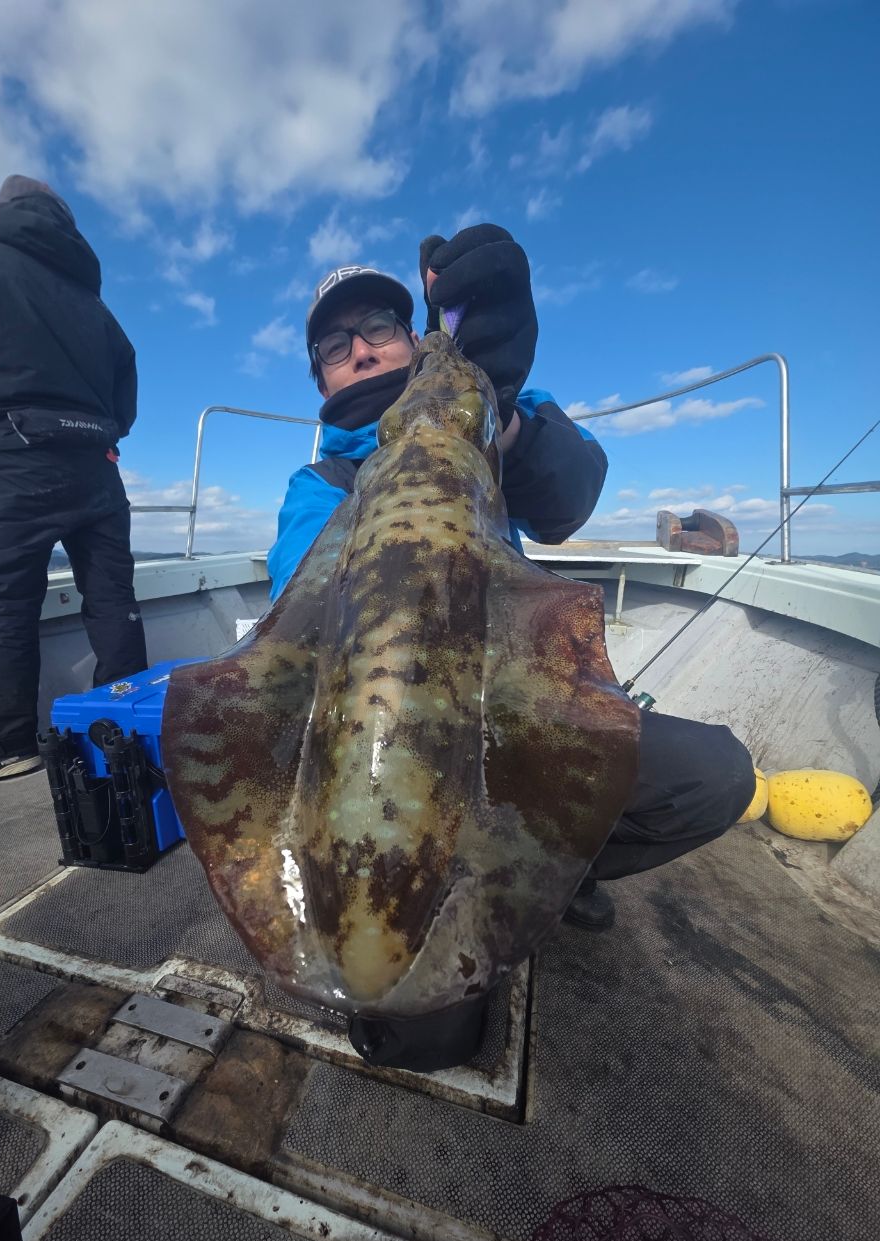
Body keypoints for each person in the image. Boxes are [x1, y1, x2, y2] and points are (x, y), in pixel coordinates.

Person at [268, 224, 755, 1071]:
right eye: (333, 346)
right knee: (421, 1025)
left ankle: (550, 870)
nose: (357, 350)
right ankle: (474, 884)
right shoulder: (317, 488)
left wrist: (500, 408)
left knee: (714, 777)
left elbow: (568, 496)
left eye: (378, 327)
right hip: (403, 746)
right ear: (320, 377)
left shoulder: (490, 422)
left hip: (528, 720)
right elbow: (298, 608)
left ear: (411, 335)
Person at [0, 175, 148, 795]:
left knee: (0, 605)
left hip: (13, 457)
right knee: (113, 603)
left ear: (2, 211)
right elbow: (126, 400)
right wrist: (95, 430)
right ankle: (129, 726)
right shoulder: (102, 313)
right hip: (98, 465)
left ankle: (1, 748)